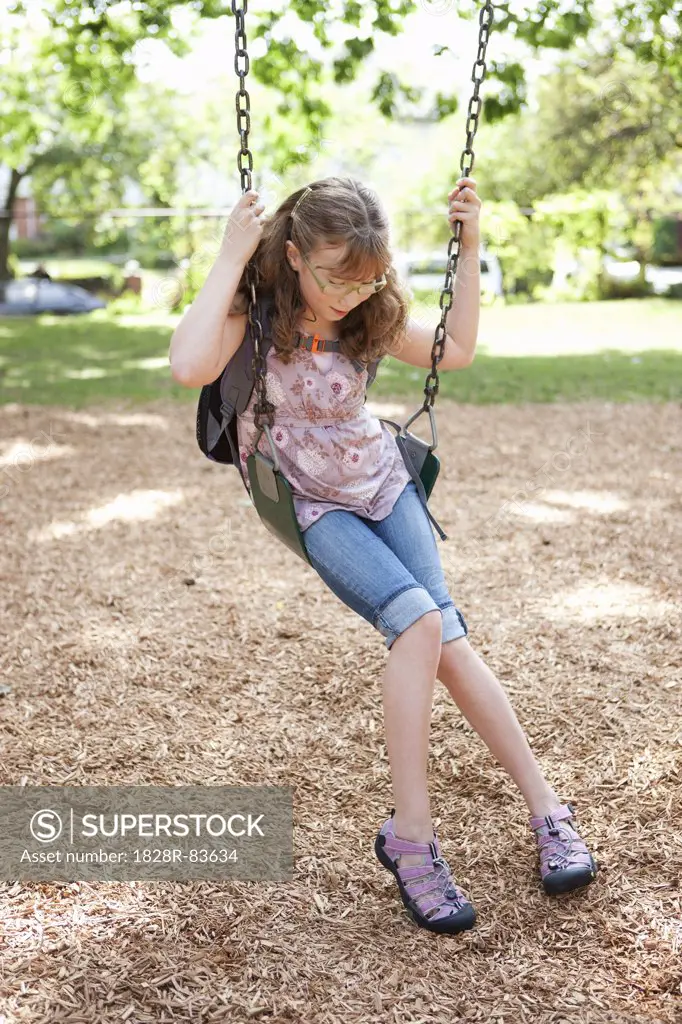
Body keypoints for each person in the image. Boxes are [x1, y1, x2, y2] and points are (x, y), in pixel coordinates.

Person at [169, 177, 597, 936]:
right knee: (419, 623)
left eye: (367, 277)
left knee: (450, 640)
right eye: (336, 277)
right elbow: (189, 366)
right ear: (294, 256)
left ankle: (546, 810)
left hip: (381, 478)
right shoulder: (257, 315)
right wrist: (231, 255)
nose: (350, 293)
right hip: (309, 501)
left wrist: (470, 247)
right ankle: (413, 837)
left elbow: (455, 351)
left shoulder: (369, 307)